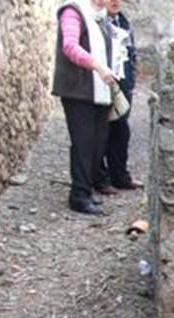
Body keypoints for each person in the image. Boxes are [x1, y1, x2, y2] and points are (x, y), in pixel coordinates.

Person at [52, 0, 117, 215]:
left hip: (100, 90)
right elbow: (70, 46)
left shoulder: (101, 16)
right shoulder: (73, 11)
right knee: (83, 144)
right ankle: (78, 196)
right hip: (78, 91)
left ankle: (86, 189)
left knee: (98, 143)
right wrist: (98, 66)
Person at [96, 0, 140, 195]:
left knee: (121, 130)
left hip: (122, 85)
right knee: (100, 132)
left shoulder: (123, 22)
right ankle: (99, 179)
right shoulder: (96, 21)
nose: (115, 1)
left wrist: (129, 83)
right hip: (102, 82)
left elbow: (130, 55)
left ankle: (119, 176)